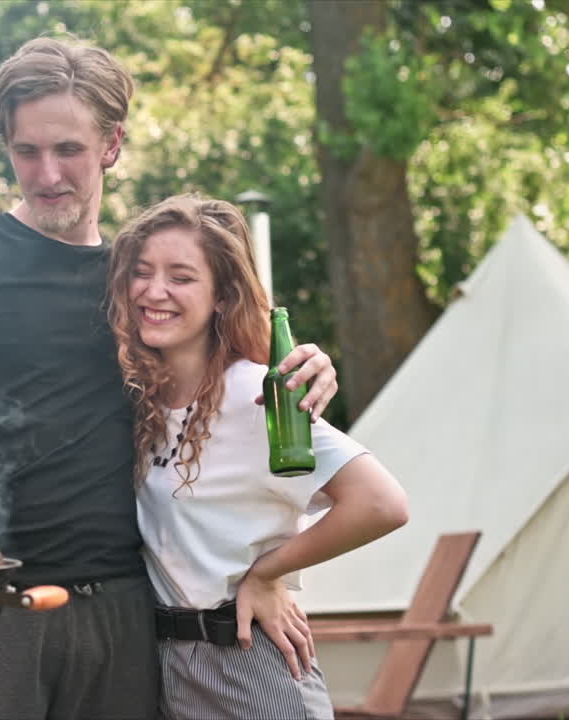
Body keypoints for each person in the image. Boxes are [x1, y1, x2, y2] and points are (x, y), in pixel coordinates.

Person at [0, 37, 339, 719]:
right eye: (27, 152)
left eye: (69, 150)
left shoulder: (142, 287)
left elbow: (228, 403)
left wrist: (304, 362)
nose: (47, 173)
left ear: (111, 145)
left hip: (120, 609)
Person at [106, 193, 410, 720]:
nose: (155, 291)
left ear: (222, 296)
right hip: (166, 668)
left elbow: (381, 502)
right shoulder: (137, 406)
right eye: (142, 272)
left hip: (251, 660)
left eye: (181, 276)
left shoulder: (258, 395)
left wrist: (267, 574)